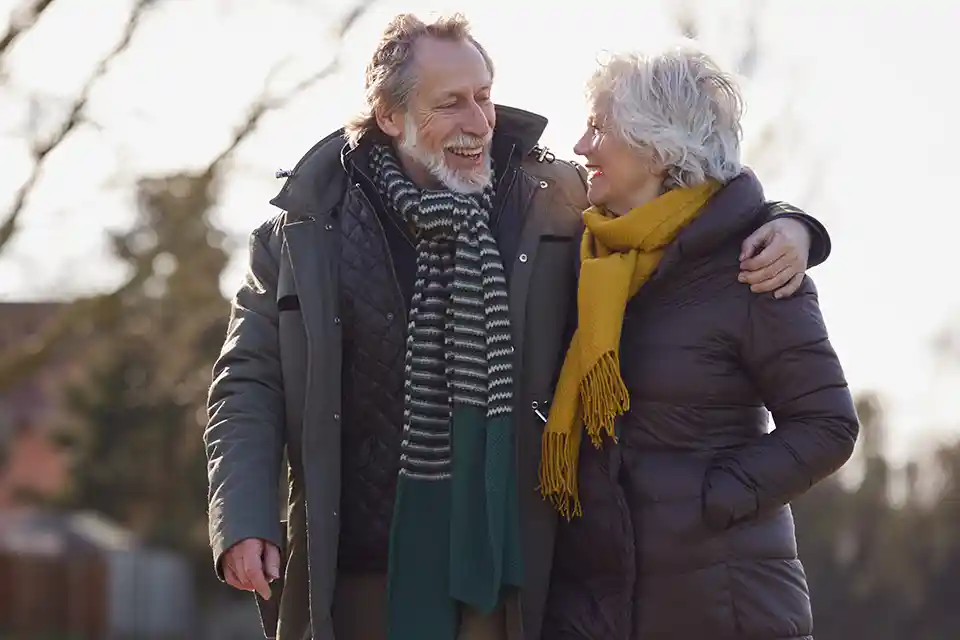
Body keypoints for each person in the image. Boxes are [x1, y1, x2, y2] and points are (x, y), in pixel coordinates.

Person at [203, 14, 831, 640]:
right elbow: (247, 383)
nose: (478, 122)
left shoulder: (552, 201)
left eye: (484, 96)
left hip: (503, 580)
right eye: (450, 103)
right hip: (355, 572)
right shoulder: (303, 233)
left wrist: (791, 223)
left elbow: (680, 200)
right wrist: (244, 516)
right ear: (390, 116)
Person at [538, 44, 859, 640]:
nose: (581, 147)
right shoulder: (587, 254)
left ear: (658, 148)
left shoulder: (754, 264)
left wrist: (709, 500)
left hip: (723, 606)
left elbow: (828, 425)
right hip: (600, 604)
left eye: (598, 128)